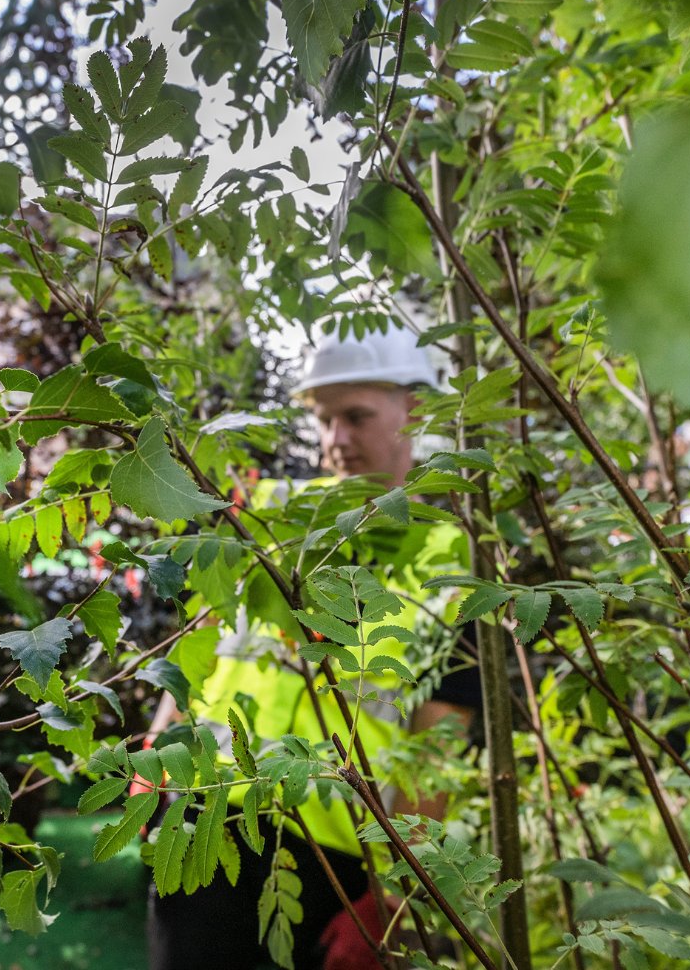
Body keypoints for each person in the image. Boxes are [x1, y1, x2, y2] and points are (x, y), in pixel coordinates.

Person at [143, 322, 477, 970]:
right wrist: (154, 761)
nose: (335, 441)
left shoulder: (453, 557)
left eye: (355, 416)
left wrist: (393, 896)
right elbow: (203, 645)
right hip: (201, 818)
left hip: (336, 864)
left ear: (416, 411)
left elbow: (438, 743)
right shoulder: (266, 517)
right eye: (325, 420)